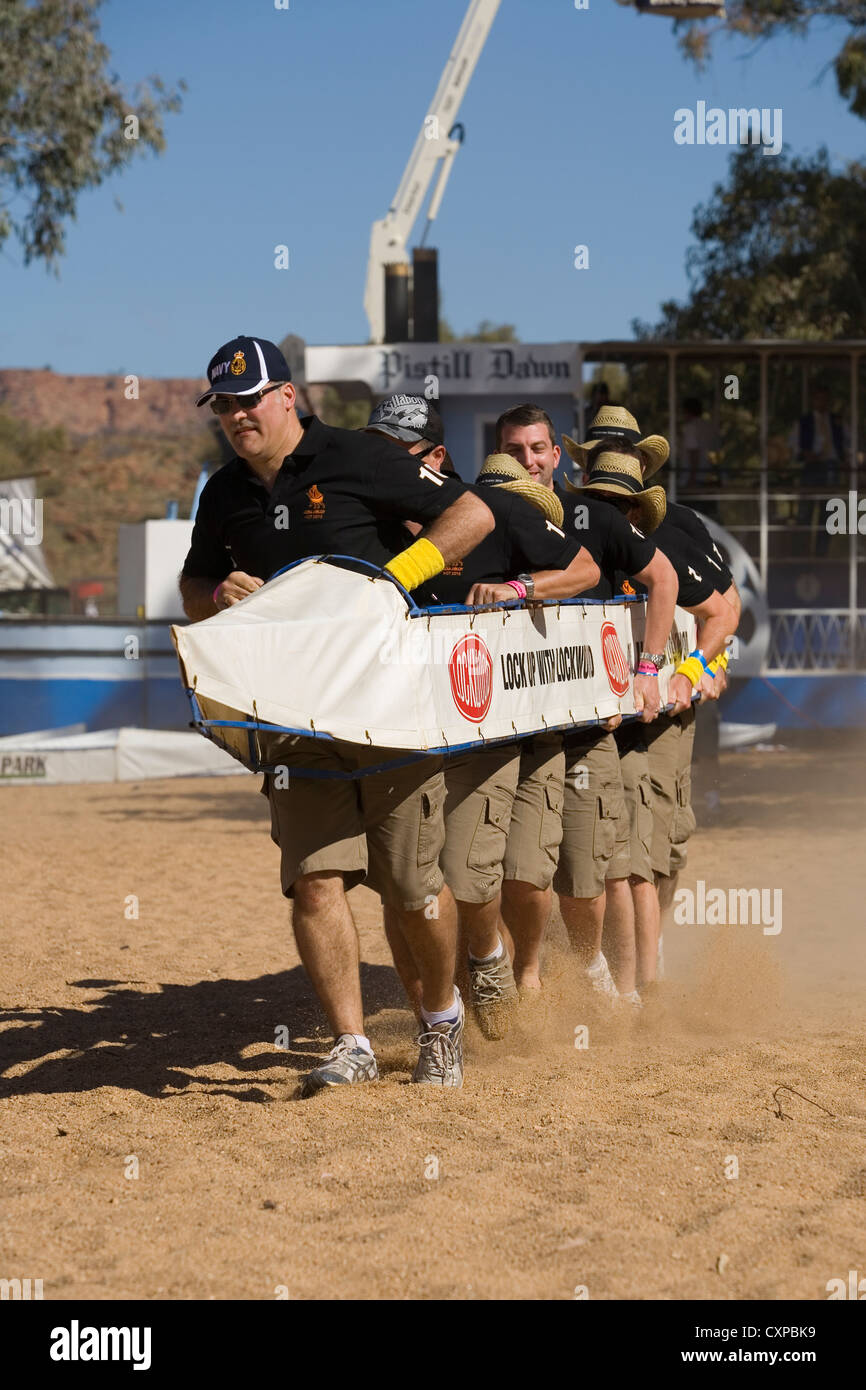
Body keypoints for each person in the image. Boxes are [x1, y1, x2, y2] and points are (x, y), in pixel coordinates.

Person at [179, 339, 495, 1095]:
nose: (236, 415)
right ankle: (351, 1041)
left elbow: (473, 511)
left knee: (411, 888)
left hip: (390, 712)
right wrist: (216, 596)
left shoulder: (357, 456)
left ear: (287, 396)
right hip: (292, 720)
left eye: (248, 399)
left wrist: (394, 580)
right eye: (223, 405)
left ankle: (441, 1022)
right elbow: (193, 585)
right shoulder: (222, 492)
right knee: (316, 882)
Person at [364, 395, 601, 1039]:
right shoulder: (365, 526)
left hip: (494, 728)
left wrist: (518, 590)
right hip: (403, 734)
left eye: (397, 456)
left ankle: (512, 969)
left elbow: (585, 569)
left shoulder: (492, 507)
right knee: (402, 881)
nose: (380, 468)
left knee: (477, 875)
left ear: (436, 460)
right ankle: (434, 1018)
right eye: (374, 453)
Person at [492, 404, 678, 1004]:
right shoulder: (481, 517)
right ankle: (526, 985)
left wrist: (648, 669)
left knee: (592, 872)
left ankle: (615, 988)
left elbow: (664, 580)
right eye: (515, 450)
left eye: (538, 449)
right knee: (502, 872)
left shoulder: (590, 515)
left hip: (586, 724)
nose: (528, 461)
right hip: (500, 727)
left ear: (556, 456)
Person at [564, 442, 739, 1001]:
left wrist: (700, 667)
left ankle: (643, 977)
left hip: (659, 719)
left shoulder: (675, 532)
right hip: (596, 726)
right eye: (595, 494)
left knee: (655, 852)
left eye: (617, 499)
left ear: (640, 501)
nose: (605, 507)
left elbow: (725, 609)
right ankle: (634, 984)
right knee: (619, 859)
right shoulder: (565, 536)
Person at [790, 385, 848, 557]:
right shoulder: (804, 421)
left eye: (824, 398)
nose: (822, 402)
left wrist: (846, 459)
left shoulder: (837, 421)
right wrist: (803, 453)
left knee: (828, 513)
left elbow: (848, 443)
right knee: (805, 513)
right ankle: (803, 554)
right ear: (813, 401)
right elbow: (793, 445)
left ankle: (821, 554)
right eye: (818, 398)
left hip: (831, 467)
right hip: (812, 467)